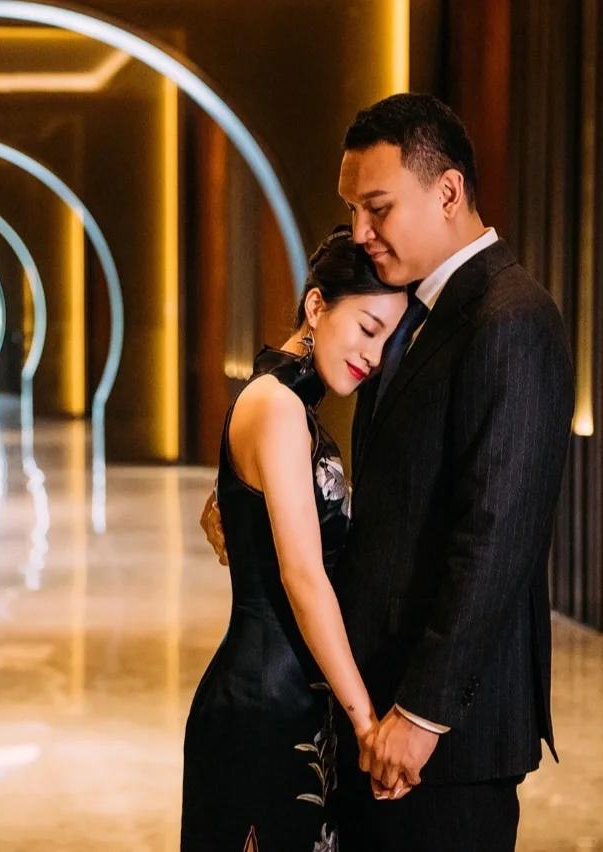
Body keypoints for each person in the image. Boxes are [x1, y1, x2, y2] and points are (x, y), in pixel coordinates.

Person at [333, 93, 575, 851]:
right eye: (352, 212)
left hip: (446, 737)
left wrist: (421, 714)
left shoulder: (511, 317)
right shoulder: (412, 309)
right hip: (380, 706)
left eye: (377, 209)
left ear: (446, 191)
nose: (359, 233)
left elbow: (496, 538)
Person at [180, 229, 407, 852]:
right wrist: (367, 724)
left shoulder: (287, 404)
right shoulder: (278, 406)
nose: (374, 355)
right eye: (367, 328)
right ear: (315, 305)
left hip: (295, 706)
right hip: (263, 712)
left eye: (387, 340)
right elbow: (303, 578)